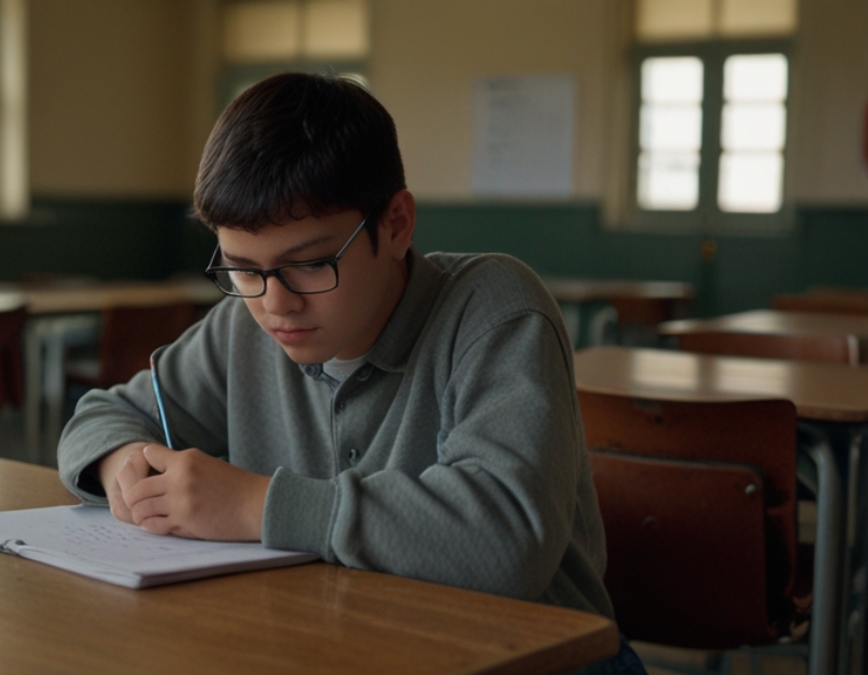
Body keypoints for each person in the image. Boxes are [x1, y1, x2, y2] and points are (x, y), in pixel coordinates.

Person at [59, 72, 644, 673]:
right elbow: (103, 415)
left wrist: (254, 506)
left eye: (309, 264)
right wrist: (121, 467)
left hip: (545, 661)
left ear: (396, 225)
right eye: (241, 268)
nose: (275, 305)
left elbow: (507, 540)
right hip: (343, 645)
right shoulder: (245, 324)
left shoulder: (494, 308)